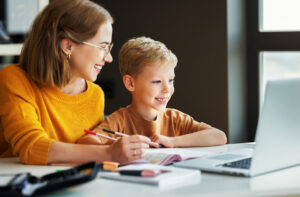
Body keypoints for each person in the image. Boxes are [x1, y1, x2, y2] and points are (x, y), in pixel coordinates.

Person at [0, 0, 153, 165]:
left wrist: (110, 147)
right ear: (67, 46)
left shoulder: (95, 95)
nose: (108, 58)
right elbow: (31, 148)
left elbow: (86, 152)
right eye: (103, 47)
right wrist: (108, 153)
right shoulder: (14, 79)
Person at [85, 36, 227, 148]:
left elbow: (219, 136)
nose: (167, 89)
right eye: (157, 82)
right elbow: (86, 142)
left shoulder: (175, 119)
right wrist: (115, 148)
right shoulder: (120, 120)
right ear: (130, 83)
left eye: (171, 80)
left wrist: (173, 141)